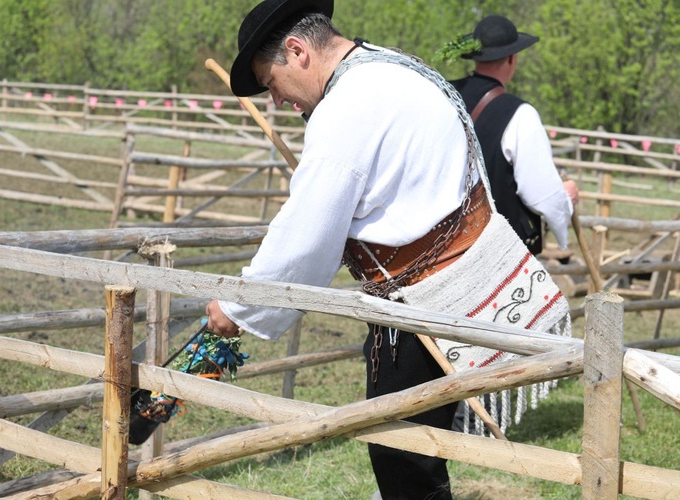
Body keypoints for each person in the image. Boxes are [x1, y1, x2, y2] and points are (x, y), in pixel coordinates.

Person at [206, 1, 571, 498]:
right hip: (460, 284)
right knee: (412, 453)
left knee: (403, 459)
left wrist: (238, 306)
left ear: (297, 51)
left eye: (272, 83)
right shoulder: (391, 66)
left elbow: (308, 233)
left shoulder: (345, 109)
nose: (276, 101)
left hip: (422, 301)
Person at [444, 15, 579, 256]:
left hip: (441, 247)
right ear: (511, 58)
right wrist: (565, 199)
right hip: (496, 255)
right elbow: (541, 195)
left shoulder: (441, 93)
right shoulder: (520, 114)